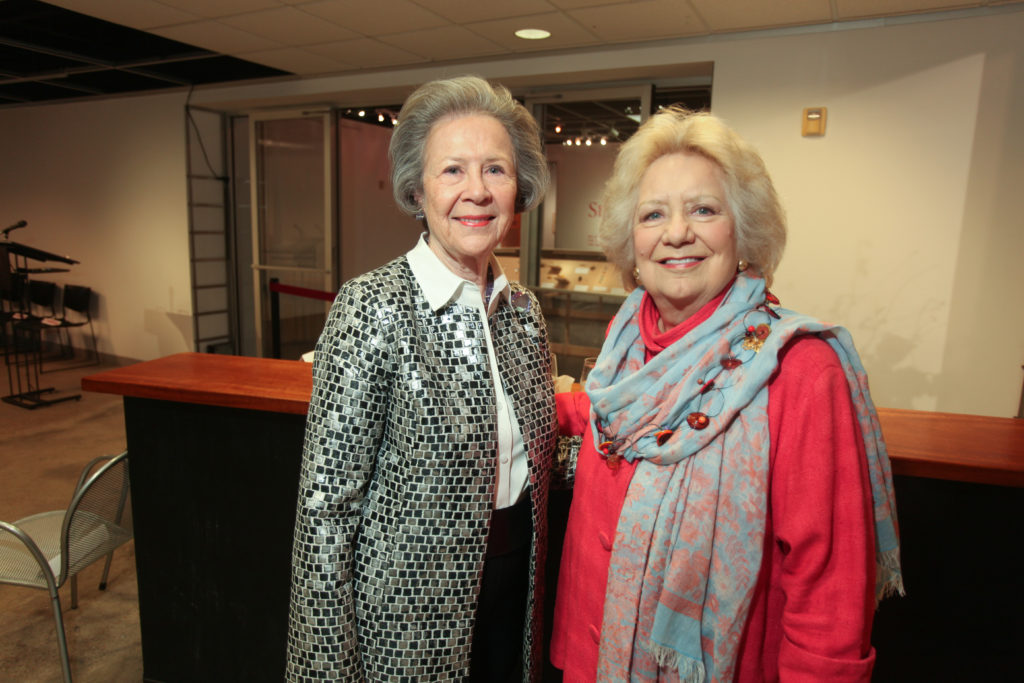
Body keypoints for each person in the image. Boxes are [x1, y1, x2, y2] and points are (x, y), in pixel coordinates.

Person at [550, 107, 903, 682]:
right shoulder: (628, 348)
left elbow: (829, 582)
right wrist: (536, 410)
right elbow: (623, 416)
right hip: (592, 660)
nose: (676, 233)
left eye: (704, 210)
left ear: (743, 231)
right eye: (653, 214)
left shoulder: (801, 370)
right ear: (630, 242)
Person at [286, 76, 561, 682]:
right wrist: (327, 669)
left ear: (519, 189)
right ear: (417, 189)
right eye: (452, 171)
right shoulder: (371, 307)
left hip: (515, 597)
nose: (477, 191)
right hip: (410, 618)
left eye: (496, 170)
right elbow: (325, 512)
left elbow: (534, 459)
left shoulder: (524, 312)